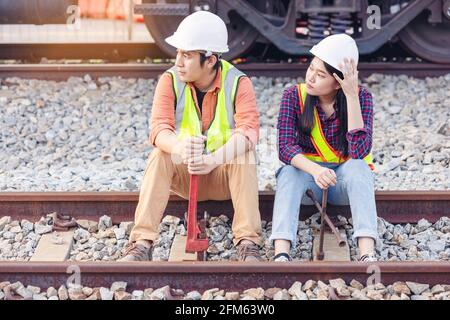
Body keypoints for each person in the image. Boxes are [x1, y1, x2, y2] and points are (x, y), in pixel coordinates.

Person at [119, 11, 263, 262]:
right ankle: (141, 242)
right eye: (178, 54)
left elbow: (249, 132)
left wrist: (214, 159)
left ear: (210, 60)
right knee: (159, 155)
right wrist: (179, 148)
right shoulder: (169, 80)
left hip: (221, 176)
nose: (178, 62)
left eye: (187, 55)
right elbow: (158, 129)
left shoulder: (238, 83)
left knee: (244, 154)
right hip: (185, 174)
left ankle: (248, 242)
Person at [270, 34, 379, 262]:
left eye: (320, 75)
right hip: (309, 182)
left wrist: (350, 96)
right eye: (311, 69)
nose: (310, 78)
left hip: (341, 185)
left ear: (338, 81)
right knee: (289, 173)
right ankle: (281, 252)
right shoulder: (294, 96)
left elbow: (359, 151)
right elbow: (285, 148)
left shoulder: (362, 98)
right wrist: (316, 171)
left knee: (359, 167)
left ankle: (367, 253)